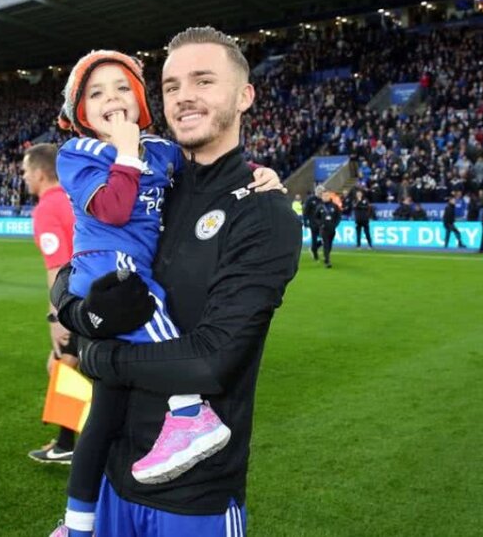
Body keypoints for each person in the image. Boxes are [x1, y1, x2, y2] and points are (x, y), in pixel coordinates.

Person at [51, 27, 301, 537]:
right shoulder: (156, 182)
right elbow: (79, 267)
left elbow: (211, 360)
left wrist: (97, 355)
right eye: (171, 85)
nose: (185, 95)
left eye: (204, 80)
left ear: (244, 95)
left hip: (193, 497)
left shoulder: (264, 212)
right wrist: (79, 314)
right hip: (116, 479)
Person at [22, 143, 80, 465]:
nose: (24, 178)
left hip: (79, 301)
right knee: (61, 367)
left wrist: (57, 316)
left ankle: (72, 444)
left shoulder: (47, 208)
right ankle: (67, 441)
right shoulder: (71, 198)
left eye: (26, 171)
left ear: (41, 173)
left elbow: (57, 266)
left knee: (63, 367)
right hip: (98, 293)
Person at [315, 190, 342, 268]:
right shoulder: (320, 207)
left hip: (332, 229)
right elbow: (316, 217)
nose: (325, 197)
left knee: (329, 244)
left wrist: (335, 225)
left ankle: (326, 256)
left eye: (327, 195)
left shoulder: (334, 206)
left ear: (329, 196)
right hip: (324, 229)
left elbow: (338, 216)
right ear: (322, 197)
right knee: (326, 244)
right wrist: (320, 224)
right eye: (324, 196)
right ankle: (327, 261)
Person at [303, 186, 324, 260]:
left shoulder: (323, 200)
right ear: (316, 191)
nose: (320, 193)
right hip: (313, 222)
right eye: (319, 191)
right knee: (314, 238)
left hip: (322, 223)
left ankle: (313, 248)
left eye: (322, 192)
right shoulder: (310, 199)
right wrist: (305, 222)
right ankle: (315, 255)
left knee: (325, 238)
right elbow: (305, 211)